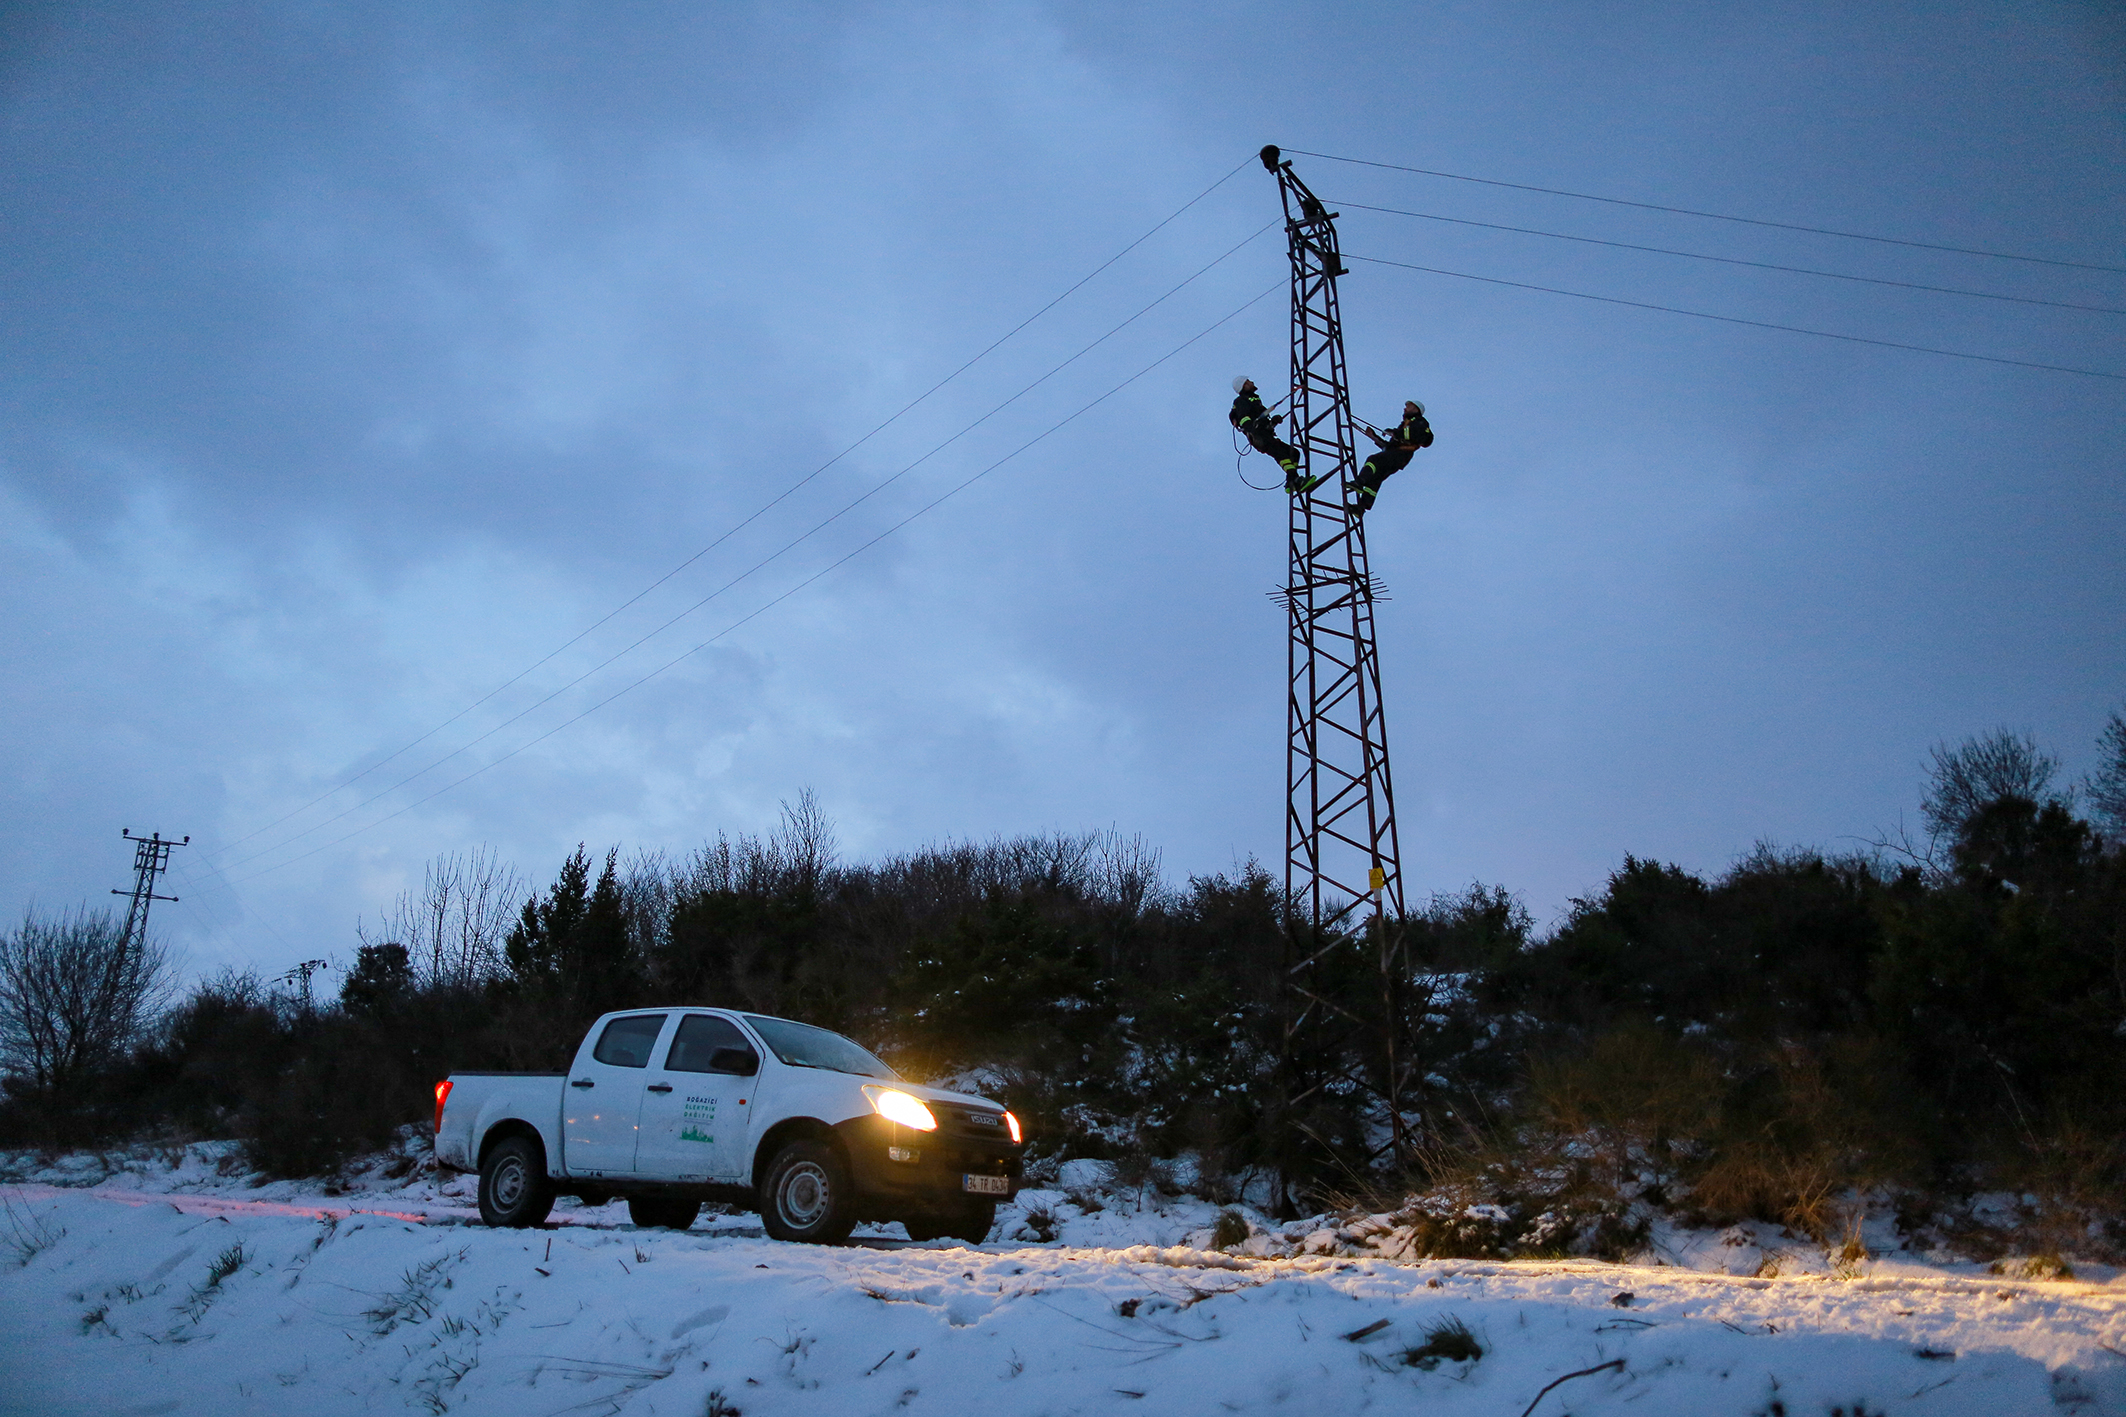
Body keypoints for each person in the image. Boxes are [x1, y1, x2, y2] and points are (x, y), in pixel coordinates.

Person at [1229, 377, 1317, 494]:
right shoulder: (1241, 401)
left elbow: (1261, 421)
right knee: (1280, 454)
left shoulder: (1254, 400)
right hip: (1259, 436)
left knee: (1294, 453)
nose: (1252, 382)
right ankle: (1294, 479)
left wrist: (1273, 422)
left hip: (1264, 434)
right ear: (1243, 385)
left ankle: (1291, 482)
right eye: (1248, 382)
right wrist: (1253, 429)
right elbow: (1244, 419)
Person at [1352, 400, 1433, 517]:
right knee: (1376, 478)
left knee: (1373, 460)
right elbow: (1390, 447)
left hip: (1401, 455)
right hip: (1398, 456)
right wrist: (1374, 437)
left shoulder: (1420, 422)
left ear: (1416, 409)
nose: (1405, 409)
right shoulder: (1406, 424)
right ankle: (1361, 507)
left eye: (1408, 406)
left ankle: (1359, 482)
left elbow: (1414, 435)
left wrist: (1395, 433)